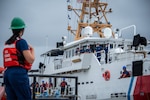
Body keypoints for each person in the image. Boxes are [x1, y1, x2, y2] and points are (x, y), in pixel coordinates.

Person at [3, 17, 35, 100]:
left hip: (7, 74)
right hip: (18, 74)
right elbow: (30, 59)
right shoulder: (21, 42)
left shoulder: (8, 43)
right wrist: (33, 50)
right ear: (22, 30)